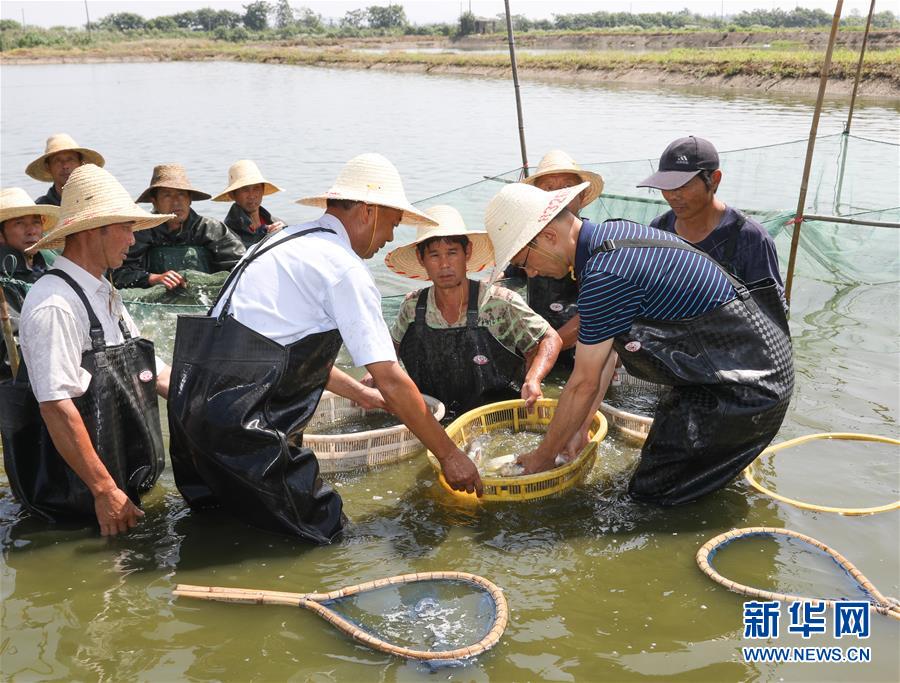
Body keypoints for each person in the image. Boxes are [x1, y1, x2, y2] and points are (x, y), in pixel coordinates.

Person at [167, 153, 483, 543]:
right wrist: (450, 455)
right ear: (368, 212)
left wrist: (360, 393)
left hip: (188, 422)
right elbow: (392, 378)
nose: (389, 238)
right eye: (392, 224)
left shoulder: (282, 241)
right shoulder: (343, 267)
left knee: (217, 536)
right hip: (243, 434)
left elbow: (277, 350)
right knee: (328, 537)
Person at [484, 182, 793, 506]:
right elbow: (604, 357)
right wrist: (577, 427)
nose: (530, 271)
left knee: (651, 499)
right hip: (737, 367)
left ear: (548, 236)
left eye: (525, 261)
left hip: (749, 387)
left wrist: (542, 457)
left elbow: (582, 384)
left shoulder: (606, 275)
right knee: (664, 468)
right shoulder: (612, 237)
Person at [0, 165, 172, 535]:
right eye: (126, 228)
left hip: (120, 489)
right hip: (77, 505)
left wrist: (211, 401)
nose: (132, 240)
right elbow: (56, 407)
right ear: (95, 231)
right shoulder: (55, 304)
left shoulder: (106, 293)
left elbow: (154, 372)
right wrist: (104, 489)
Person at [383, 204, 561, 418]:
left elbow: (549, 338)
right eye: (434, 255)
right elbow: (389, 352)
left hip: (497, 418)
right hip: (434, 416)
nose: (444, 264)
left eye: (452, 253)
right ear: (422, 260)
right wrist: (375, 376)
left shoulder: (499, 303)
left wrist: (533, 379)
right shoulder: (412, 307)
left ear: (466, 253)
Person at [638, 136, 784, 295]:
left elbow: (771, 309)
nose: (673, 196)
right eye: (666, 186)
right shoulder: (659, 230)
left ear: (714, 180)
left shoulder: (750, 238)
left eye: (683, 186)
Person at [521, 150, 604, 368]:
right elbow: (509, 275)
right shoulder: (528, 240)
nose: (558, 197)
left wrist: (546, 348)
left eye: (567, 188)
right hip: (542, 341)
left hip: (586, 347)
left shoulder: (596, 245)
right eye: (548, 188)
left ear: (582, 197)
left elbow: (594, 316)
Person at [112, 164, 245, 290]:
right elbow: (117, 274)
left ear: (190, 199)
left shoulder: (211, 229)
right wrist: (151, 278)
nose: (176, 202)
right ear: (154, 202)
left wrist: (202, 281)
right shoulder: (140, 233)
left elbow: (240, 267)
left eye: (181, 194)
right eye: (167, 195)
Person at [0, 188, 59, 379]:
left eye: (35, 222)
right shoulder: (4, 279)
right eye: (19, 223)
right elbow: (11, 350)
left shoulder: (47, 268)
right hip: (21, 382)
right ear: (1, 234)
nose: (31, 230)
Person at [213, 159, 286, 249]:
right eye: (244, 189)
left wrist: (283, 232)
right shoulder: (227, 233)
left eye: (256, 188)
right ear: (232, 195)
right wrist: (266, 235)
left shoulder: (276, 222)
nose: (251, 196)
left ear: (262, 190)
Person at [25, 133, 105, 207]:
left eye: (70, 159)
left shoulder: (97, 200)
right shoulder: (41, 209)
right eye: (57, 161)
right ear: (48, 167)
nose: (65, 166)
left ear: (80, 164)